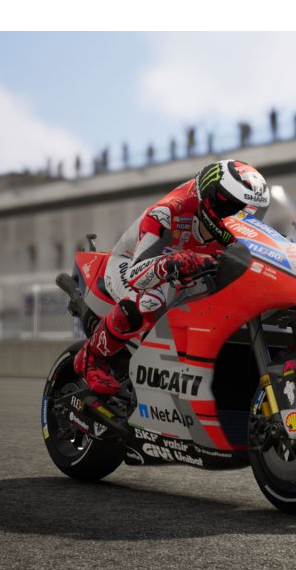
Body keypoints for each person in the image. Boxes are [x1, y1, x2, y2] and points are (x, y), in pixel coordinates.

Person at [73, 159, 271, 395]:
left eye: (251, 212)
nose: (241, 218)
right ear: (212, 198)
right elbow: (136, 276)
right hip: (130, 264)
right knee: (150, 301)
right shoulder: (168, 212)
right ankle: (90, 357)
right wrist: (173, 262)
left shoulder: (241, 231)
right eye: (234, 209)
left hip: (187, 272)